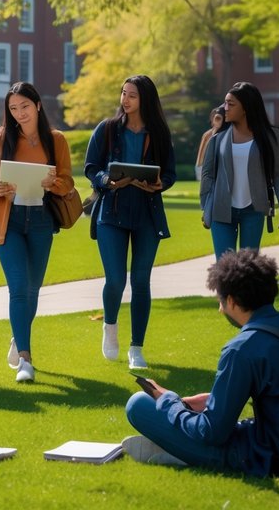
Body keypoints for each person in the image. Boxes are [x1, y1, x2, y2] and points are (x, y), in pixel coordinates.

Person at [122, 249, 279, 476]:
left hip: (269, 456)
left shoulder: (243, 347)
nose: (220, 309)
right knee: (197, 415)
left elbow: (212, 432)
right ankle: (174, 450)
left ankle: (178, 453)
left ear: (232, 301)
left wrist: (169, 401)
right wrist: (214, 400)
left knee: (138, 404)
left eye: (221, 301)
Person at [0, 82, 75, 384]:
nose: (19, 113)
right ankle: (26, 358)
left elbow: (68, 182)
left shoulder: (55, 140)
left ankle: (18, 335)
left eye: (24, 106)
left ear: (38, 105)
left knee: (33, 291)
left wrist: (54, 184)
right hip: (9, 220)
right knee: (19, 288)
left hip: (41, 220)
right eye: (13, 109)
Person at [84, 75, 177, 371]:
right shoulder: (108, 130)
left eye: (132, 95)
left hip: (147, 214)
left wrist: (160, 184)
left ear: (145, 99)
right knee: (115, 280)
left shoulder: (160, 133)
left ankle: (137, 347)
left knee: (140, 281)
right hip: (111, 212)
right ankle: (109, 327)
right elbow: (90, 168)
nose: (125, 99)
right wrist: (106, 179)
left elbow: (170, 173)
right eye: (123, 93)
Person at [201, 81, 279, 260]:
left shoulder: (272, 137)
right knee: (224, 269)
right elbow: (208, 174)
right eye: (225, 102)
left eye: (230, 104)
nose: (224, 108)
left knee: (248, 270)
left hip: (254, 211)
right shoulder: (217, 138)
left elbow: (278, 175)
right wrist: (206, 207)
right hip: (221, 211)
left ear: (246, 108)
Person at [195, 105, 225, 181]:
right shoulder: (208, 135)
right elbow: (201, 155)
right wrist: (199, 168)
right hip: (207, 167)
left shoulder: (227, 133)